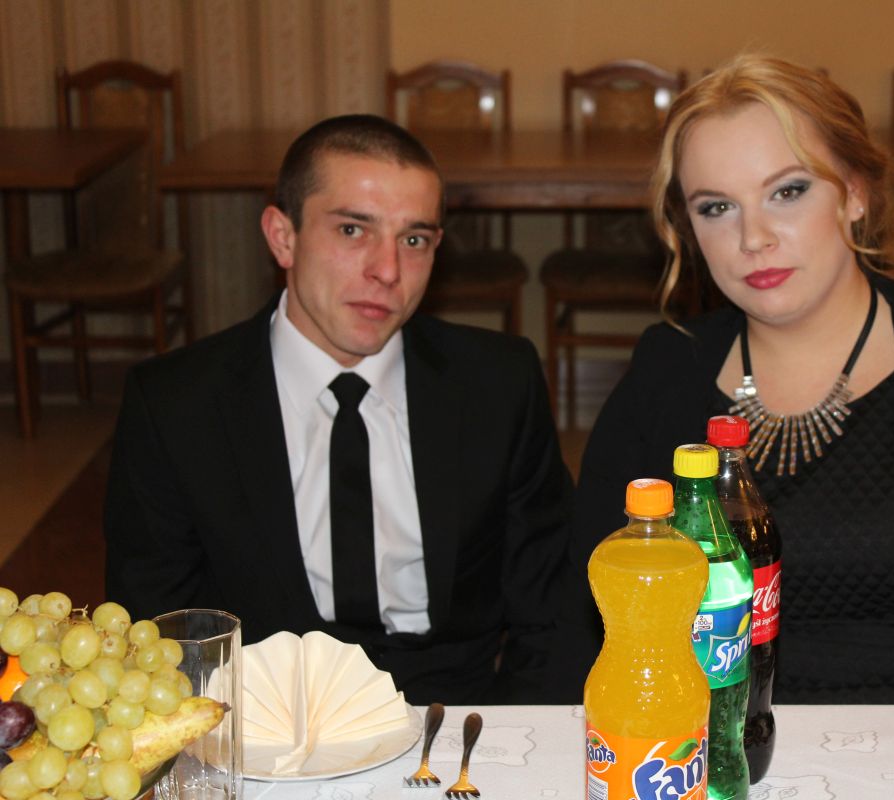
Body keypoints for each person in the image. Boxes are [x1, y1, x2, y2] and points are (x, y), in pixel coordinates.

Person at [567, 55, 894, 703]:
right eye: (717, 207)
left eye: (788, 191)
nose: (753, 237)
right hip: (707, 740)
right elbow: (592, 607)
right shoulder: (665, 369)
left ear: (856, 191)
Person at [104, 115, 575, 705]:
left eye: (414, 240)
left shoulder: (499, 383)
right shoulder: (177, 405)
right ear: (283, 237)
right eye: (354, 230)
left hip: (454, 711)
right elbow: (158, 634)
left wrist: (513, 736)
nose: (388, 271)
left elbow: (552, 608)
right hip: (265, 718)